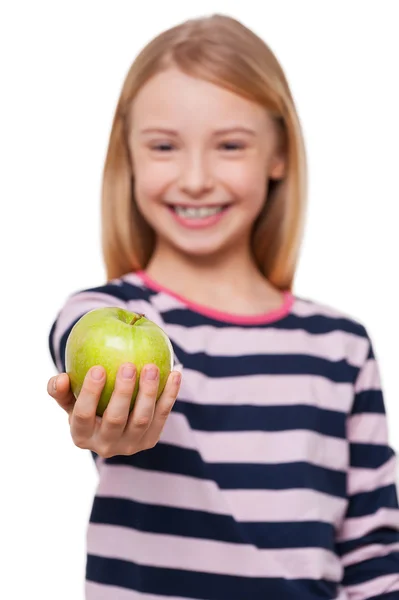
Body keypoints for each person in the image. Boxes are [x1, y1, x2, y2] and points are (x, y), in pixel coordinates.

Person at [47, 13, 399, 600]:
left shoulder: (340, 346)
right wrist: (113, 411)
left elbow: (374, 552)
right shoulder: (116, 308)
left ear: (279, 155)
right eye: (164, 146)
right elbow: (73, 330)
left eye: (230, 145)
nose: (195, 178)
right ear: (127, 156)